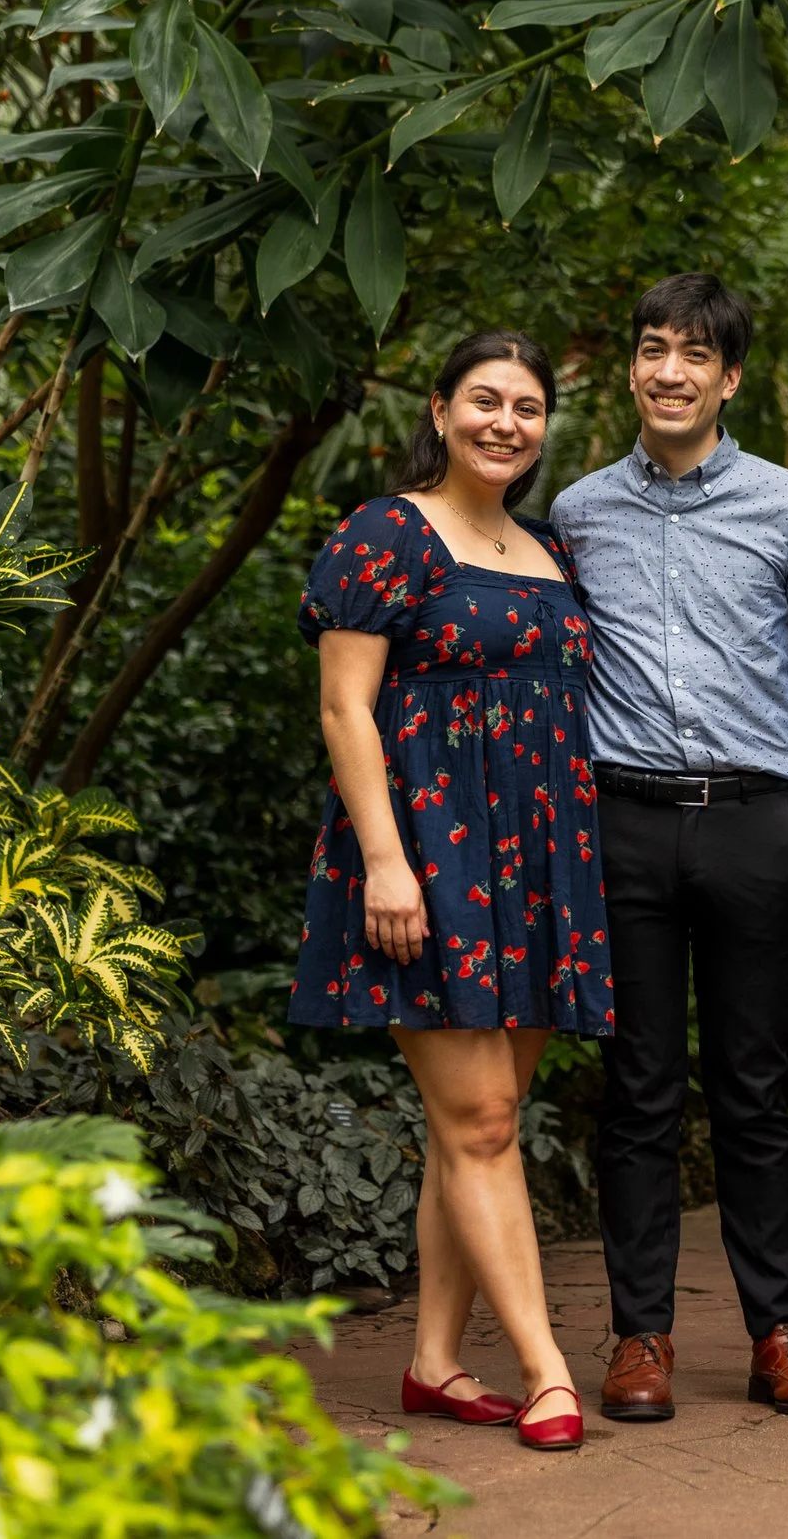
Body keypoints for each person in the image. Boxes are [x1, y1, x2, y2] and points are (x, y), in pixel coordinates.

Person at [550, 274, 788, 1423]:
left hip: (751, 825)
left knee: (753, 1088)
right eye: (652, 350)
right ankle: (640, 1338)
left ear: (729, 379)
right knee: (635, 1092)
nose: (669, 372)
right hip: (622, 824)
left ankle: (780, 1333)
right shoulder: (580, 512)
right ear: (632, 370)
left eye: (695, 355)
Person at [290, 330, 604, 1452]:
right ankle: (549, 1368)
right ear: (439, 407)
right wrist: (384, 858)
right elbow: (343, 710)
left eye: (526, 407)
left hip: (537, 860)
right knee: (478, 1120)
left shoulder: (544, 543)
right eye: (484, 400)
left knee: (474, 1125)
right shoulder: (386, 532)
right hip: (428, 852)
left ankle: (432, 1363)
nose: (504, 423)